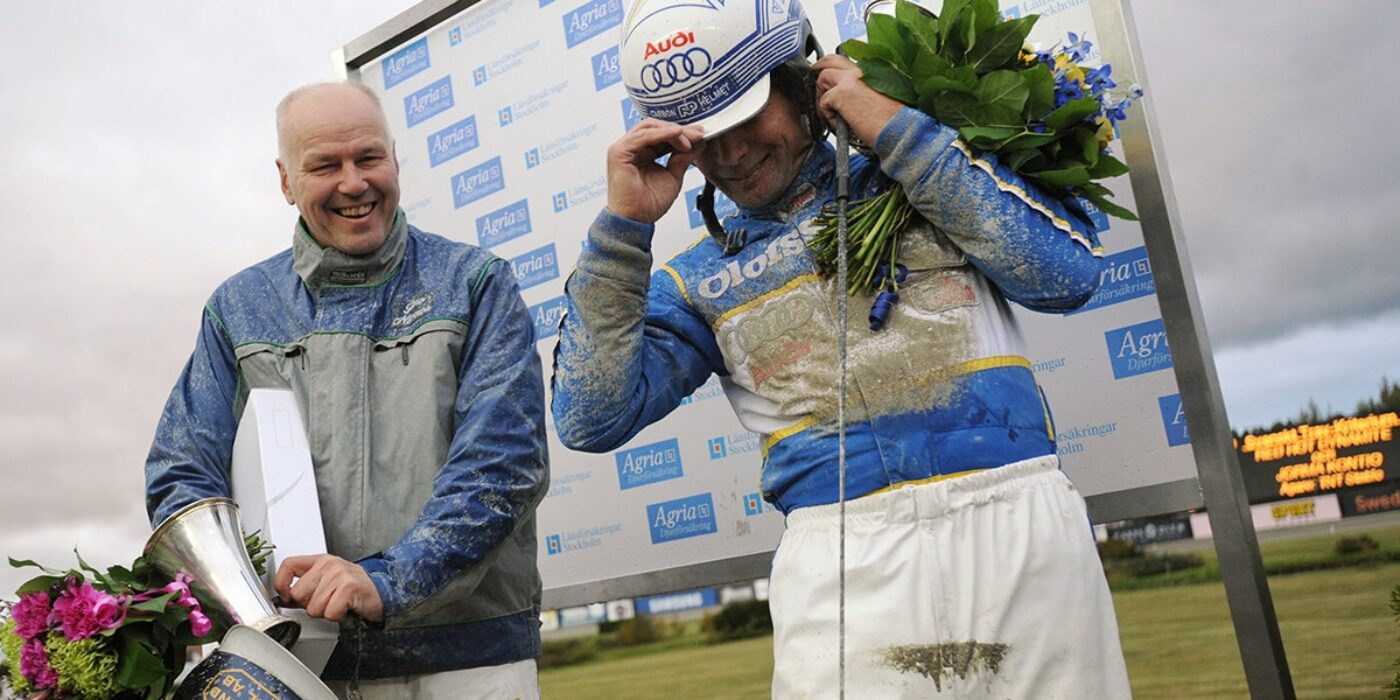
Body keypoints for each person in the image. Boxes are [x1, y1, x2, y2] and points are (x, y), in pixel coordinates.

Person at [550, 0, 1131, 696]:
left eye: (745, 114)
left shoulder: (925, 169)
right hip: (840, 556)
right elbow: (589, 419)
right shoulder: (693, 279)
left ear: (803, 80)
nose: (730, 153)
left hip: (1020, 531)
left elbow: (1068, 280)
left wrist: (900, 135)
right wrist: (622, 229)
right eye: (702, 136)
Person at [144, 82, 549, 699]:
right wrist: (256, 605)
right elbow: (181, 476)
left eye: (368, 158)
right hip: (299, 673)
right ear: (286, 181)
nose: (353, 182)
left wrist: (387, 583)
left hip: (471, 664)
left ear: (394, 159)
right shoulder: (238, 309)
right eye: (325, 165)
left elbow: (504, 464)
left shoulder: (475, 283)